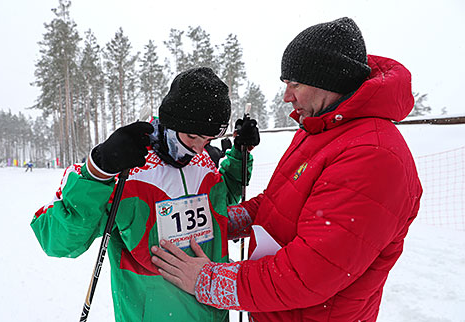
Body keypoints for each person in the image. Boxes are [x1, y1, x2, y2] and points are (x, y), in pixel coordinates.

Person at [151, 17, 423, 322]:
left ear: (327, 81)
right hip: (277, 311)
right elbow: (279, 204)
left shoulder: (373, 156)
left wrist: (210, 281)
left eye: (294, 84)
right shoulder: (321, 129)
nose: (286, 97)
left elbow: (309, 274)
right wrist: (220, 222)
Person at [31, 67, 260, 322]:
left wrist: (240, 154)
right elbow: (59, 241)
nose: (197, 148)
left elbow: (222, 201)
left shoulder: (204, 161)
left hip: (212, 312)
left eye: (207, 139)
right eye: (191, 136)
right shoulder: (130, 166)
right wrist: (98, 171)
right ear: (170, 123)